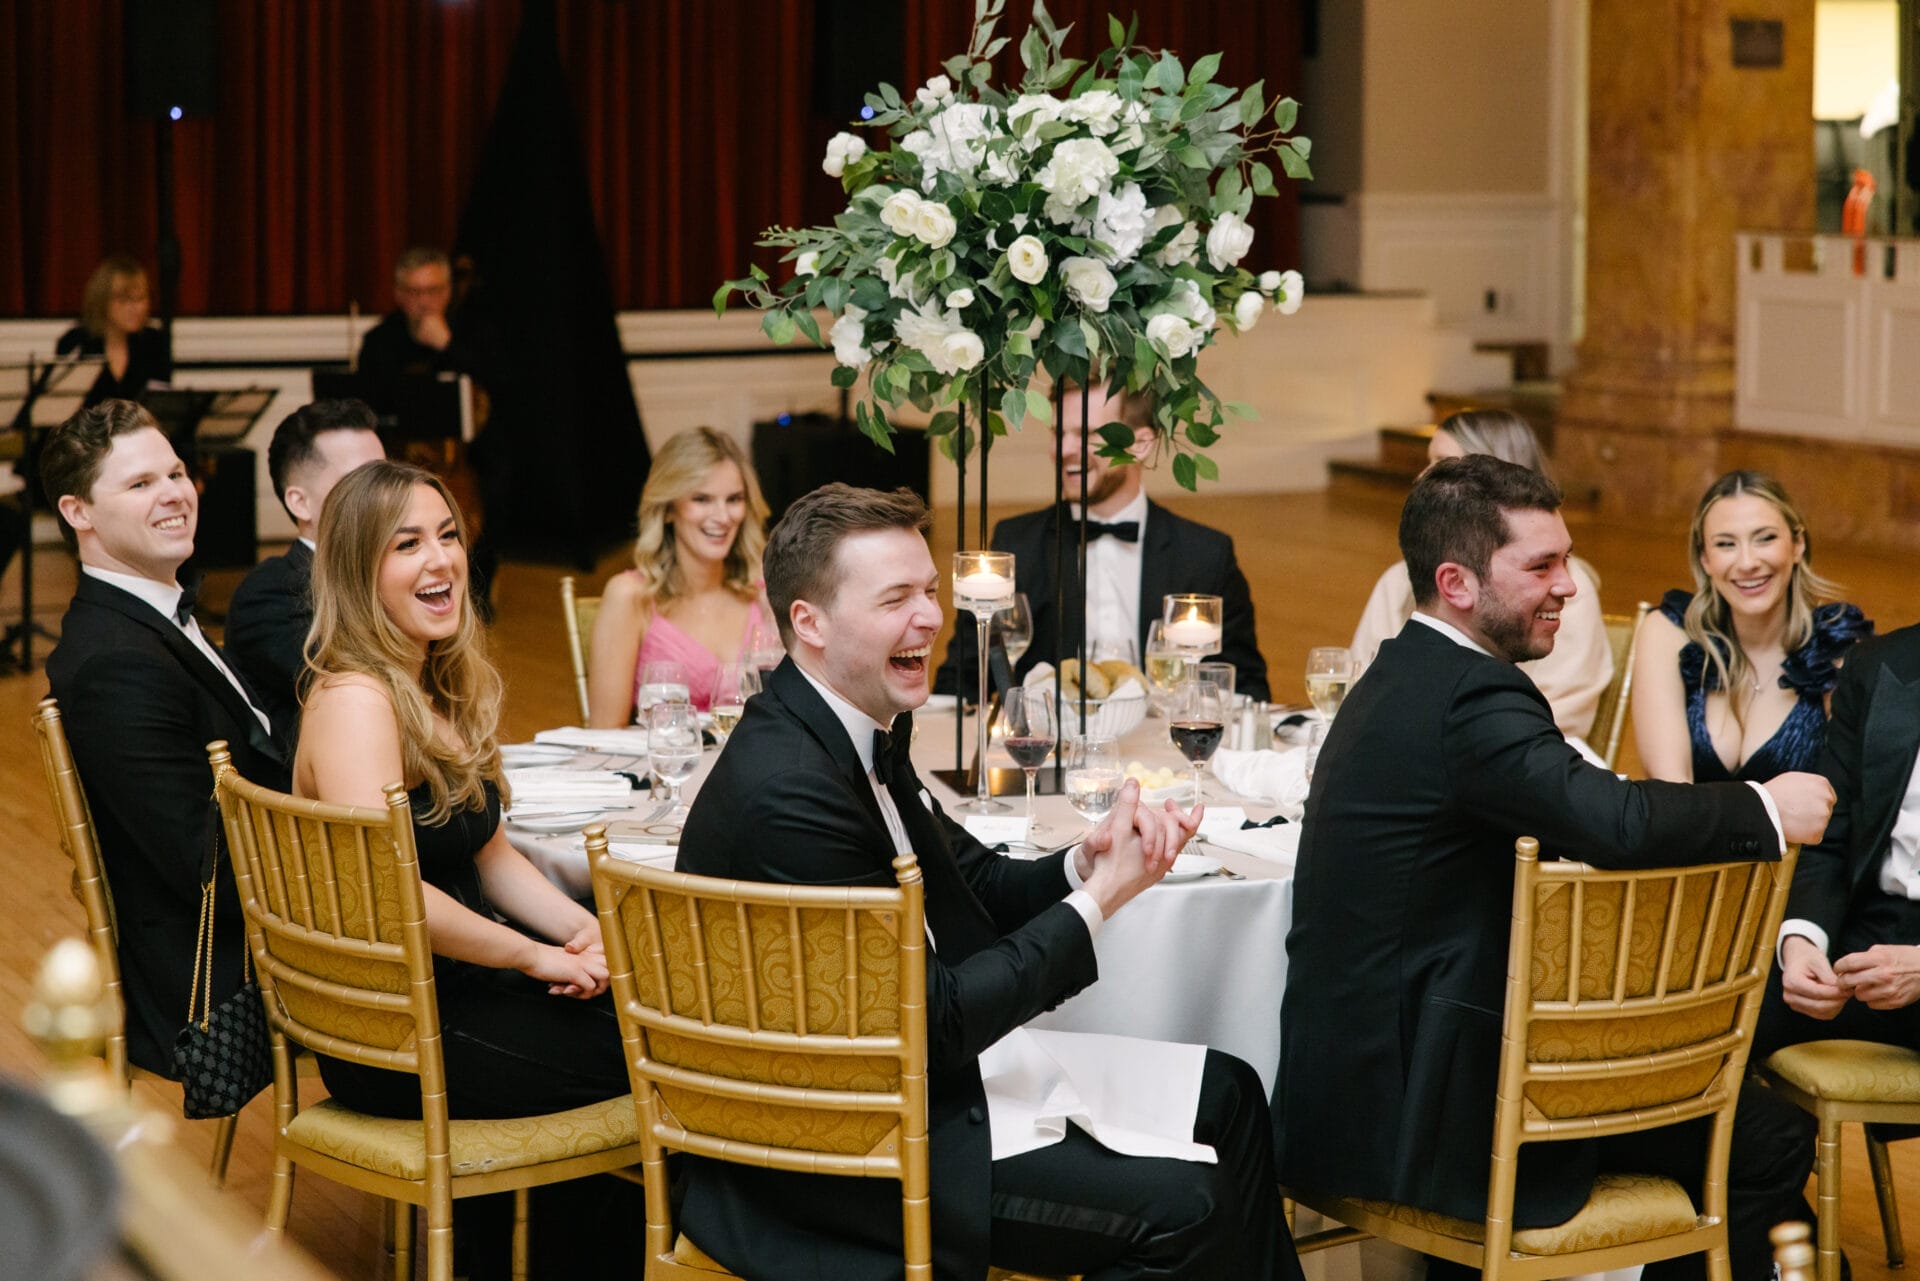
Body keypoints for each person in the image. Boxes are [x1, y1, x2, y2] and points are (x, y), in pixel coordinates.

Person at [676, 483, 1298, 1281]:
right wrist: (1099, 899)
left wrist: (1085, 860)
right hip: (846, 1159)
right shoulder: (791, 789)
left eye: (929, 590)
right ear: (810, 623)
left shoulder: (853, 730)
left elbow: (979, 882)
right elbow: (938, 1021)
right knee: (1190, 1209)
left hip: (913, 1091)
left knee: (1233, 1090)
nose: (932, 617)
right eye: (896, 598)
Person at [1278, 454, 1835, 1281]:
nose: (1569, 584)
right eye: (1541, 565)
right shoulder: (1473, 697)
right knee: (1765, 1137)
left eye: (1564, 556)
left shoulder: (1402, 672)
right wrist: (1764, 806)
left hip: (1359, 1094)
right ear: (1457, 583)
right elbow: (1614, 821)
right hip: (1427, 1111)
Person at [295, 459, 632, 1277]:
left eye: (447, 535)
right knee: (653, 1051)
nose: (440, 560)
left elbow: (491, 854)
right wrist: (534, 954)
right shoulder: (355, 701)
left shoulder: (428, 687)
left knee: (642, 1007)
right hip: (396, 1030)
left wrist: (585, 932)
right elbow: (388, 890)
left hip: (453, 990)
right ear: (357, 571)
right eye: (407, 544)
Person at [40, 399, 288, 1076]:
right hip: (235, 972)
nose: (175, 494)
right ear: (77, 512)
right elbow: (203, 865)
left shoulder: (152, 619)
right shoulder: (115, 663)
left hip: (274, 915)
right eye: (140, 483)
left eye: (176, 473)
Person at [934, 380, 1268, 701]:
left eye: (1086, 434)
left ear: (1141, 444)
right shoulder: (1016, 545)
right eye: (1058, 433)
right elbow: (960, 682)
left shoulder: (1205, 554)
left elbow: (1246, 690)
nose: (1063, 450)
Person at [1349, 409, 1612, 741]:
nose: (1421, 477)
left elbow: (1562, 716)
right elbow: (1361, 687)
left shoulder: (1565, 591)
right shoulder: (1399, 580)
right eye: (1428, 462)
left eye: (1442, 465)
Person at [1633, 470, 1870, 784]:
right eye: (1726, 544)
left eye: (1765, 538)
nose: (1747, 563)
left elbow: (1858, 795)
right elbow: (1668, 793)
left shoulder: (1835, 646)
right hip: (1681, 832)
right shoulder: (1668, 633)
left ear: (1797, 544)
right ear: (1705, 559)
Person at [585, 426, 773, 721]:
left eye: (734, 499)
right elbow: (604, 733)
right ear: (668, 509)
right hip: (668, 764)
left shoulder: (763, 591)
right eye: (702, 499)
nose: (722, 517)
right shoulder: (631, 597)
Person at [224, 399, 386, 734]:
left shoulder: (403, 570)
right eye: (360, 481)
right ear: (300, 501)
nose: (385, 494)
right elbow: (359, 691)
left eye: (385, 476)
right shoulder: (269, 595)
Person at [55, 256, 173, 407]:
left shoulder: (153, 342)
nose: (135, 309)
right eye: (124, 300)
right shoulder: (76, 342)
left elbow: (161, 404)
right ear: (102, 302)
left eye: (141, 299)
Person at [354, 246, 480, 387]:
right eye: (414, 291)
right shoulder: (379, 342)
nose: (424, 302)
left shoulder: (474, 331)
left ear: (448, 291)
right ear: (398, 294)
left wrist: (448, 345)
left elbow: (498, 387)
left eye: (433, 290)